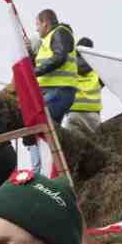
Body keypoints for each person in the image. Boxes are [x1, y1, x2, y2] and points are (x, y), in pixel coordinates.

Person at [25, 9, 78, 172]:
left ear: (45, 23)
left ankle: (41, 171)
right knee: (47, 134)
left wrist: (35, 72)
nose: (36, 29)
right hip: (55, 91)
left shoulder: (60, 32)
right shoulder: (48, 40)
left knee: (37, 125)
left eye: (37, 25)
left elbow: (60, 56)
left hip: (59, 90)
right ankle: (50, 170)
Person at [66, 37, 104, 134]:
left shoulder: (69, 68)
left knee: (73, 147)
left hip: (73, 113)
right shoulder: (98, 70)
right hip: (93, 116)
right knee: (97, 147)